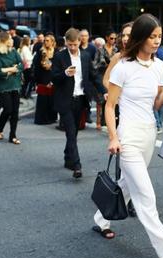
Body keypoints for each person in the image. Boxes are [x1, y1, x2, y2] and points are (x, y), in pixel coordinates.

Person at [92, 13, 163, 258]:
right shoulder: (123, 67)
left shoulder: (158, 66)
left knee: (126, 183)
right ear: (140, 38)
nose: (157, 41)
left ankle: (101, 218)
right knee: (145, 194)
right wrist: (113, 137)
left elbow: (156, 104)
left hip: (148, 135)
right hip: (128, 136)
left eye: (159, 36)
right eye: (152, 37)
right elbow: (110, 105)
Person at [52, 28, 106, 178]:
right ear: (66, 42)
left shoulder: (86, 56)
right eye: (70, 45)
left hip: (81, 99)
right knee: (70, 132)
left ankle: (67, 157)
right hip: (65, 100)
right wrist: (64, 73)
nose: (73, 48)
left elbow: (94, 76)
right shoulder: (59, 57)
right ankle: (77, 165)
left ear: (79, 42)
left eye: (75, 44)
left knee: (74, 132)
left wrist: (104, 90)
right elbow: (54, 78)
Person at [0, 32, 23, 144]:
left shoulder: (14, 51)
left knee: (15, 111)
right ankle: (0, 128)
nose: (12, 40)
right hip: (4, 86)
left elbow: (21, 65)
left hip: (15, 84)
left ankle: (13, 135)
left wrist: (7, 69)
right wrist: (11, 69)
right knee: (8, 109)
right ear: (4, 41)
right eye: (10, 39)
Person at [32, 33, 57, 125]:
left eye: (47, 40)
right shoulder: (40, 51)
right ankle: (41, 119)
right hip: (42, 78)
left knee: (52, 99)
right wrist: (37, 80)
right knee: (42, 99)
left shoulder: (56, 52)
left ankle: (51, 118)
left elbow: (58, 65)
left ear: (52, 42)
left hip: (53, 77)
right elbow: (36, 66)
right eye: (44, 40)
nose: (45, 42)